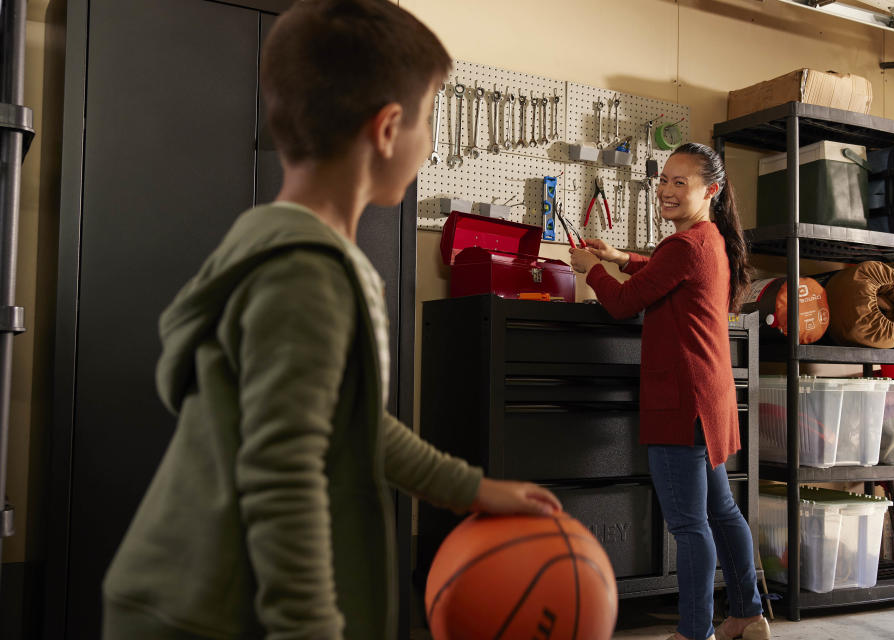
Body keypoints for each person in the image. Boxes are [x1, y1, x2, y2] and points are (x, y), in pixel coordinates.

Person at [101, 2, 561, 639]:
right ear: (387, 129)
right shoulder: (307, 275)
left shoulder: (283, 244)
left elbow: (357, 423)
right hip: (212, 613)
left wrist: (470, 489)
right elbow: (284, 481)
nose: (427, 144)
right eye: (427, 121)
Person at [569, 143, 768, 640]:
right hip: (710, 399)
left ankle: (693, 631)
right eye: (664, 180)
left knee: (689, 525)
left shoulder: (685, 246)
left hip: (682, 402)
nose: (667, 190)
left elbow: (622, 302)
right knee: (722, 513)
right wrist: (620, 256)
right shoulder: (709, 239)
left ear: (711, 191)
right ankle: (748, 614)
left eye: (681, 182)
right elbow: (665, 272)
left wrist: (589, 268)